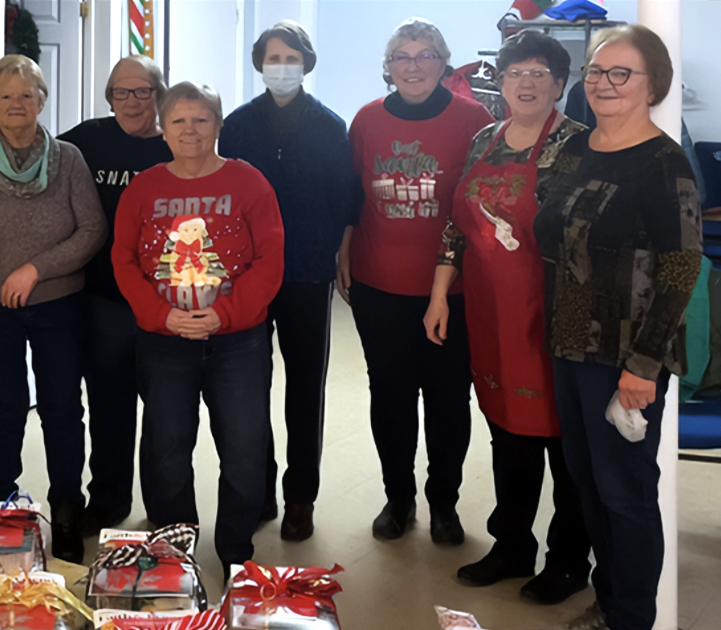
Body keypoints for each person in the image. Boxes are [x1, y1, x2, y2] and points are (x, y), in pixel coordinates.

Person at [533, 25, 701, 630]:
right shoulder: (574, 147)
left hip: (627, 355)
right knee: (587, 482)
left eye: (621, 73)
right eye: (597, 71)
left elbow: (680, 270)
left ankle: (630, 616)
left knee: (625, 493)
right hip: (569, 343)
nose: (604, 83)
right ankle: (609, 601)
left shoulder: (665, 163)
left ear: (653, 84)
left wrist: (644, 366)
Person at [422, 30, 591, 605]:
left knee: (565, 443)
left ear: (560, 84)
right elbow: (456, 225)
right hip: (491, 312)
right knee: (507, 432)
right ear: (501, 81)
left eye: (539, 73)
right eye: (516, 72)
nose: (526, 82)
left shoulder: (580, 145)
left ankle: (568, 560)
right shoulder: (483, 140)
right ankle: (513, 544)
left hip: (556, 315)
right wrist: (440, 293)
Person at [113, 81, 284, 574]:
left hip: (238, 342)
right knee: (166, 449)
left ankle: (235, 550)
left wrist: (225, 313)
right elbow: (124, 259)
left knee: (245, 447)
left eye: (201, 119)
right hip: (164, 342)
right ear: (163, 129)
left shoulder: (249, 182)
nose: (190, 130)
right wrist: (161, 314)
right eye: (179, 121)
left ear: (218, 125)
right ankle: (174, 550)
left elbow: (270, 259)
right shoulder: (144, 188)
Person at [340, 17, 494, 545]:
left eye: (425, 55)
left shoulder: (474, 119)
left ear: (443, 64)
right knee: (391, 397)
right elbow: (352, 195)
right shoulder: (366, 120)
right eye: (401, 57)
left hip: (453, 291)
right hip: (379, 285)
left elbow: (482, 203)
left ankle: (444, 503)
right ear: (387, 67)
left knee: (449, 399)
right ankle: (398, 499)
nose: (413, 66)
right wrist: (343, 250)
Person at [0, 54, 106, 563]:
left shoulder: (69, 159)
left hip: (58, 302)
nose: (17, 104)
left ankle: (66, 507)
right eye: (6, 95)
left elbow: (92, 229)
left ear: (42, 100)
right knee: (5, 404)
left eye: (27, 94)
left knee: (62, 407)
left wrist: (35, 269)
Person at [217, 19, 361, 541]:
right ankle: (258, 487)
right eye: (273, 58)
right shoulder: (237, 126)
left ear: (306, 63)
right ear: (260, 64)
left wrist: (341, 253)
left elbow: (346, 196)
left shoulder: (329, 126)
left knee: (304, 384)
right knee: (247, 386)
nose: (282, 67)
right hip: (247, 274)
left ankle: (301, 495)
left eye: (291, 58)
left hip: (305, 270)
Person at [57, 55, 172, 534]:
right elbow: (28, 147)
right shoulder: (87, 139)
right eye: (121, 92)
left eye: (143, 91)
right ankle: (108, 499)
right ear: (110, 98)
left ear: (159, 95)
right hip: (104, 299)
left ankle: (165, 507)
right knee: (109, 405)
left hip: (166, 302)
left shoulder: (176, 143)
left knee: (166, 411)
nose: (132, 101)